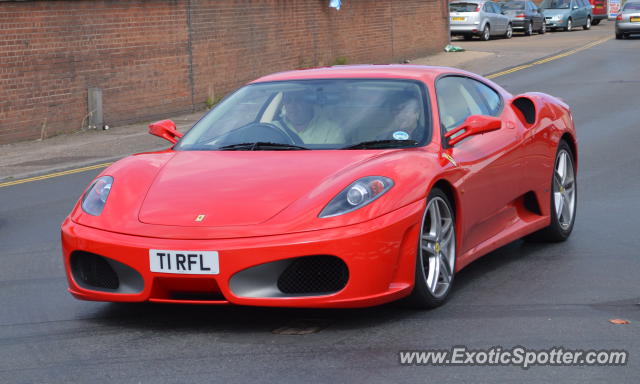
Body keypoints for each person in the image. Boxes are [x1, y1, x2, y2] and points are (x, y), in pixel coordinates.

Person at [276, 91, 344, 144]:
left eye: (298, 100)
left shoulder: (331, 130)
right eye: (288, 100)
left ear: (309, 103)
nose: (292, 105)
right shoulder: (273, 128)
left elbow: (333, 159)